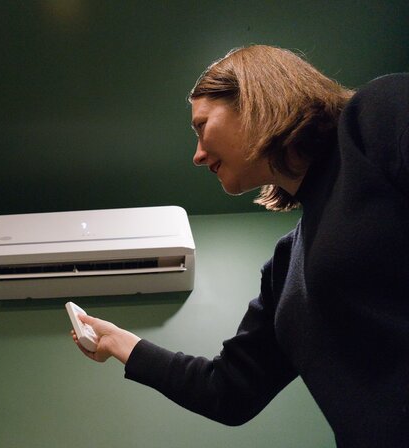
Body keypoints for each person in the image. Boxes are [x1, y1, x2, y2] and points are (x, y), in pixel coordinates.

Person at [71, 45, 409, 447]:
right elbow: (228, 392)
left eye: (201, 126)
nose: (197, 156)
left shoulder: (377, 116)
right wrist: (119, 342)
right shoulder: (286, 268)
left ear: (251, 99)